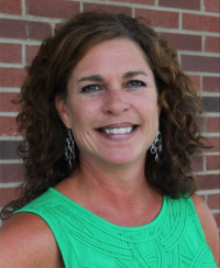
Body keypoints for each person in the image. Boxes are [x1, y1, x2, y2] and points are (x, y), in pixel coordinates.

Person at [0, 11, 219, 268]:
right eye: (92, 87)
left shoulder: (194, 213)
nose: (116, 104)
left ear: (159, 102)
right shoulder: (29, 239)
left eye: (134, 83)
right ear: (65, 111)